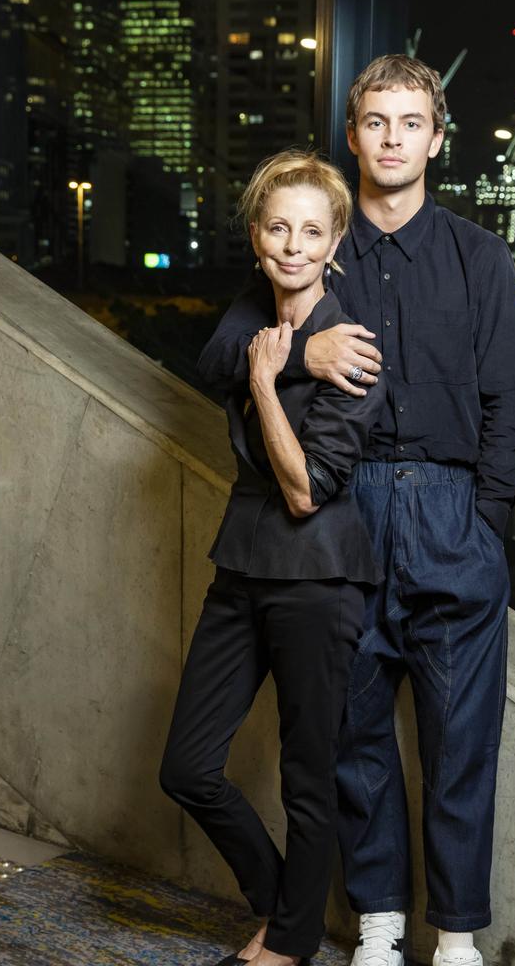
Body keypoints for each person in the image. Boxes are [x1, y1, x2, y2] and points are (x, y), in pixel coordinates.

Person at [196, 55, 515, 966]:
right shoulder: (313, 247)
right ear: (353, 137)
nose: (392, 139)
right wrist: (302, 357)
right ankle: (379, 921)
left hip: (449, 513)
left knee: (459, 738)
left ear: (436, 137)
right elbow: (225, 351)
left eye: (410, 122)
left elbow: (512, 398)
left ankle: (456, 933)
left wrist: (483, 523)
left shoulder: (478, 255)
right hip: (338, 516)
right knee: (351, 731)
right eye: (375, 123)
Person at [159, 150, 387, 966]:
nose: (293, 244)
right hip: (242, 565)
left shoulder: (355, 347)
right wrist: (290, 356)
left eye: (311, 231)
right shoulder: (251, 312)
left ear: (334, 245)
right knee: (186, 767)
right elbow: (211, 361)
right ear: (258, 235)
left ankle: (288, 944)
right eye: (278, 226)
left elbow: (303, 491)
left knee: (307, 776)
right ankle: (283, 904)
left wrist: (266, 383)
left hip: (318, 576)